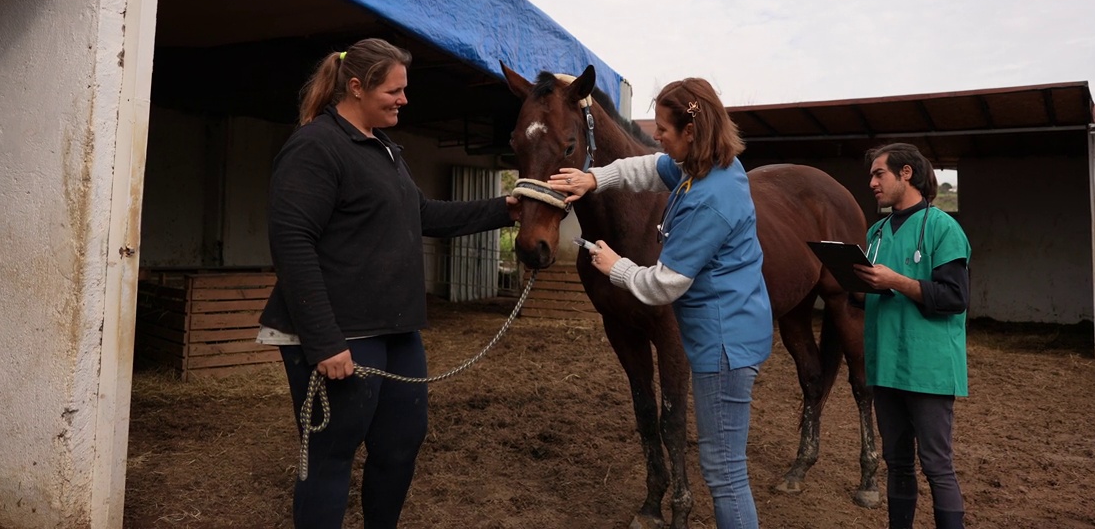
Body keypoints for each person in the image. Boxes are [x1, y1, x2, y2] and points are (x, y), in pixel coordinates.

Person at [257, 38, 519, 528]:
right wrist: (324, 340)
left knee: (400, 445)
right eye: (394, 90)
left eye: (404, 89)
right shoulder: (316, 146)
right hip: (343, 334)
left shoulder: (385, 151)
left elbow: (425, 214)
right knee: (331, 456)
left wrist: (507, 208)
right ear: (356, 87)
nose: (404, 99)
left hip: (398, 328)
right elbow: (292, 244)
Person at [549, 77, 773, 529]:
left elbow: (665, 285)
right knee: (722, 467)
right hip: (727, 331)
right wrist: (595, 177)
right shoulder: (706, 168)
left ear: (691, 132)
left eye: (666, 129)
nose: (657, 135)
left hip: (723, 343)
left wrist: (616, 265)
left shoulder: (711, 200)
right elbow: (647, 167)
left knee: (725, 473)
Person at [851, 143, 972, 529]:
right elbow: (867, 298)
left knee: (937, 465)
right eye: (871, 175)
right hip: (886, 364)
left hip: (928, 367)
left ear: (906, 174)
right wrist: (854, 285)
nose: (872, 182)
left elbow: (955, 297)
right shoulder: (876, 231)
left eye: (879, 174)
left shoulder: (942, 227)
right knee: (897, 463)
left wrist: (897, 281)